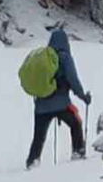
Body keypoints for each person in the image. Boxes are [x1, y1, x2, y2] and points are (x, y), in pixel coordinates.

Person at [26, 28, 91, 169]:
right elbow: (73, 80)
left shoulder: (43, 58)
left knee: (38, 137)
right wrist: (83, 97)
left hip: (41, 106)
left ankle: (32, 162)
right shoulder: (64, 57)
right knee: (75, 123)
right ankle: (78, 152)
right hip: (61, 104)